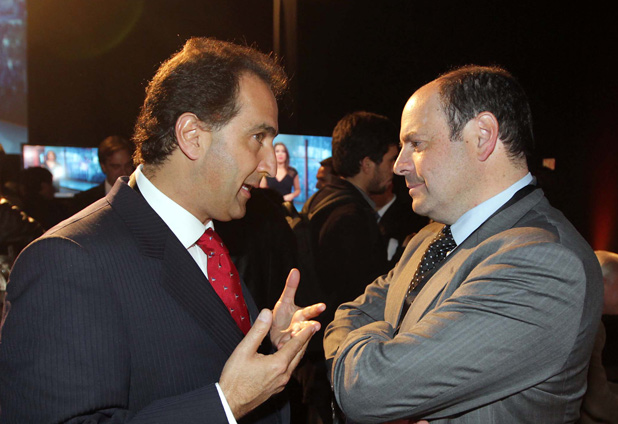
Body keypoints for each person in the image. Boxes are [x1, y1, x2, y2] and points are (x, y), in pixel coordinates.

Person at [0, 37, 325, 423]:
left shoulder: (211, 240)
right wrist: (225, 405)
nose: (270, 164)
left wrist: (270, 350)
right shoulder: (67, 260)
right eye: (258, 137)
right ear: (192, 135)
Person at [324, 65, 603, 423]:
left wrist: (380, 353)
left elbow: (368, 390)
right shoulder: (429, 237)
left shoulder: (546, 262)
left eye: (416, 144)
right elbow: (350, 315)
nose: (399, 165)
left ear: (482, 136)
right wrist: (381, 356)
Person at [295, 111, 399, 424]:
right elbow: (355, 300)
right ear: (367, 164)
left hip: (317, 356)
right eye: (391, 159)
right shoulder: (350, 217)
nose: (398, 168)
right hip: (334, 362)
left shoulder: (324, 199)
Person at [72, 135, 134, 212]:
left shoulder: (141, 197)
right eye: (116, 167)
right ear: (103, 167)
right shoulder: (83, 201)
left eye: (128, 165)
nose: (124, 172)